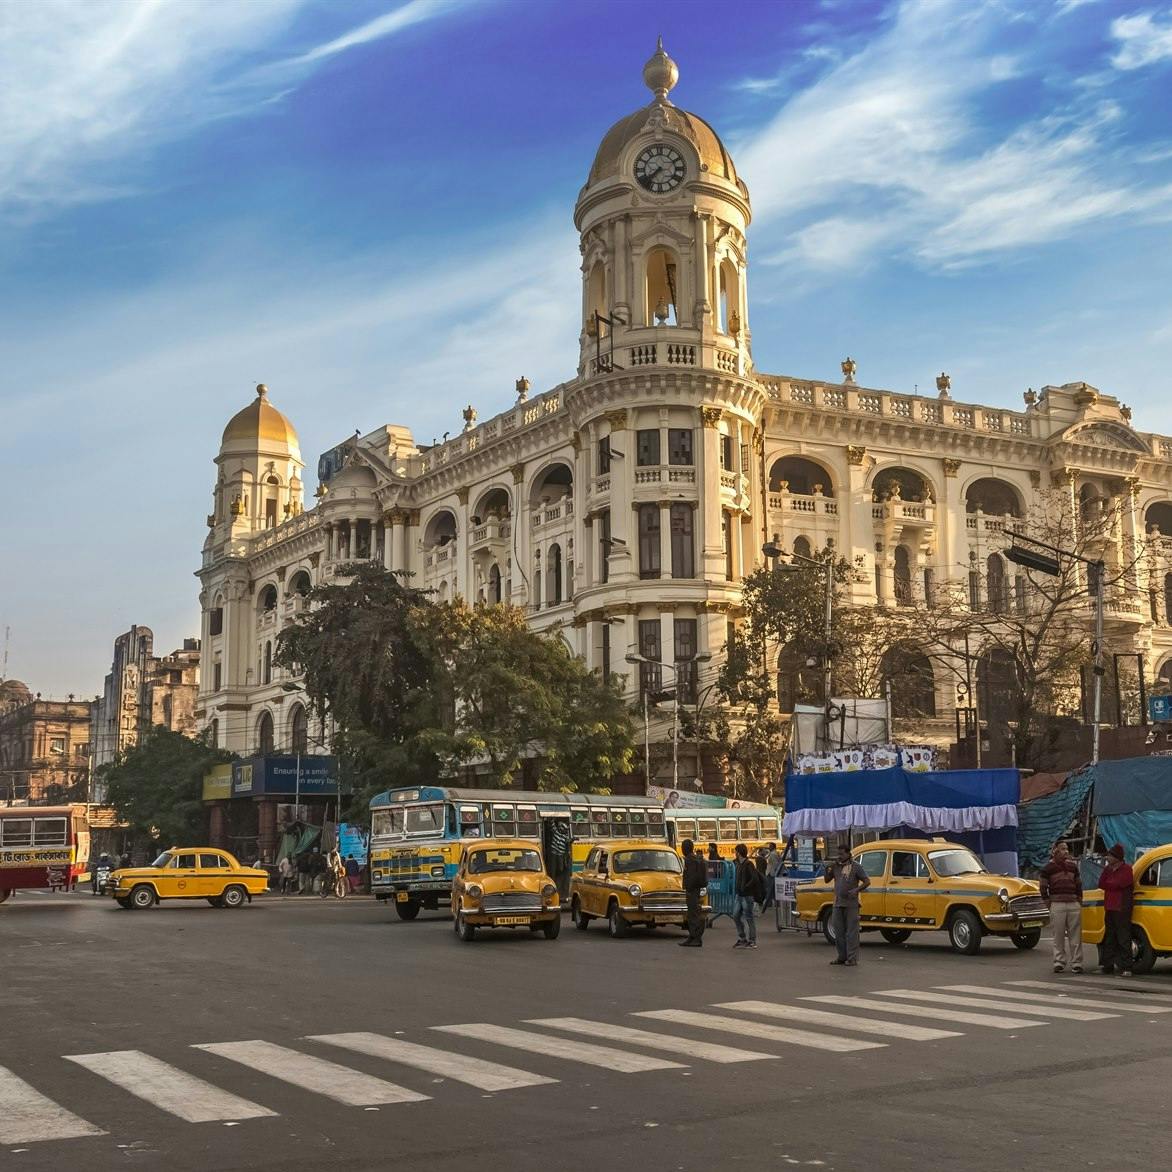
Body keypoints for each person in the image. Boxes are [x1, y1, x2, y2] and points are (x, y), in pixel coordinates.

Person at [1040, 841, 1083, 974]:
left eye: (1067, 849)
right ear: (1055, 851)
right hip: (1057, 904)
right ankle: (1059, 962)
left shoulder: (1073, 867)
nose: (1066, 851)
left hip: (1072, 903)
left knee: (1075, 936)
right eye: (1063, 849)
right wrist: (1048, 902)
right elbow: (1043, 887)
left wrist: (1079, 900)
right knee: (1058, 935)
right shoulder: (1048, 868)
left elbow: (1079, 884)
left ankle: (1077, 963)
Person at [823, 843, 870, 966]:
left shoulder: (856, 867)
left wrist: (856, 890)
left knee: (851, 932)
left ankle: (852, 958)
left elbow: (867, 881)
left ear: (848, 854)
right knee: (839, 932)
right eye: (838, 854)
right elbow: (827, 879)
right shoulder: (836, 866)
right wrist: (827, 869)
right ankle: (841, 956)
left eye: (842, 854)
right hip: (838, 903)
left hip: (851, 904)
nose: (839, 856)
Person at [1098, 843, 1135, 977]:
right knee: (1109, 937)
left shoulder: (1127, 869)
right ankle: (1107, 965)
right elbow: (1101, 883)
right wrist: (1111, 883)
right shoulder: (1108, 869)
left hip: (1122, 908)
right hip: (1109, 907)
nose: (1107, 858)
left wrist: (1110, 884)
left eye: (1110, 855)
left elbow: (1119, 883)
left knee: (1123, 937)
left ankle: (1127, 967)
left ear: (1117, 857)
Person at [732, 843, 763, 949]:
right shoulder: (739, 864)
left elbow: (754, 878)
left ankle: (752, 940)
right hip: (739, 895)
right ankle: (742, 938)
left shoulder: (748, 864)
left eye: (736, 851)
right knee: (735, 915)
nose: (734, 853)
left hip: (747, 895)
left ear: (739, 852)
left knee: (749, 917)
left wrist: (745, 886)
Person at [680, 839, 706, 947]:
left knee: (693, 915)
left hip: (692, 891)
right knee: (692, 914)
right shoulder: (694, 859)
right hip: (695, 890)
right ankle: (692, 936)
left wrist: (689, 888)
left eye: (683, 847)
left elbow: (692, 876)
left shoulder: (690, 860)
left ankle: (696, 938)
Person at [762, 842, 781, 911]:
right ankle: (773, 903)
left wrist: (773, 873)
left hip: (771, 873)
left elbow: (775, 864)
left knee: (770, 888)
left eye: (770, 846)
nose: (769, 847)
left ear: (773, 847)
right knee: (771, 888)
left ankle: (769, 903)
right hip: (771, 873)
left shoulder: (773, 854)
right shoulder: (773, 853)